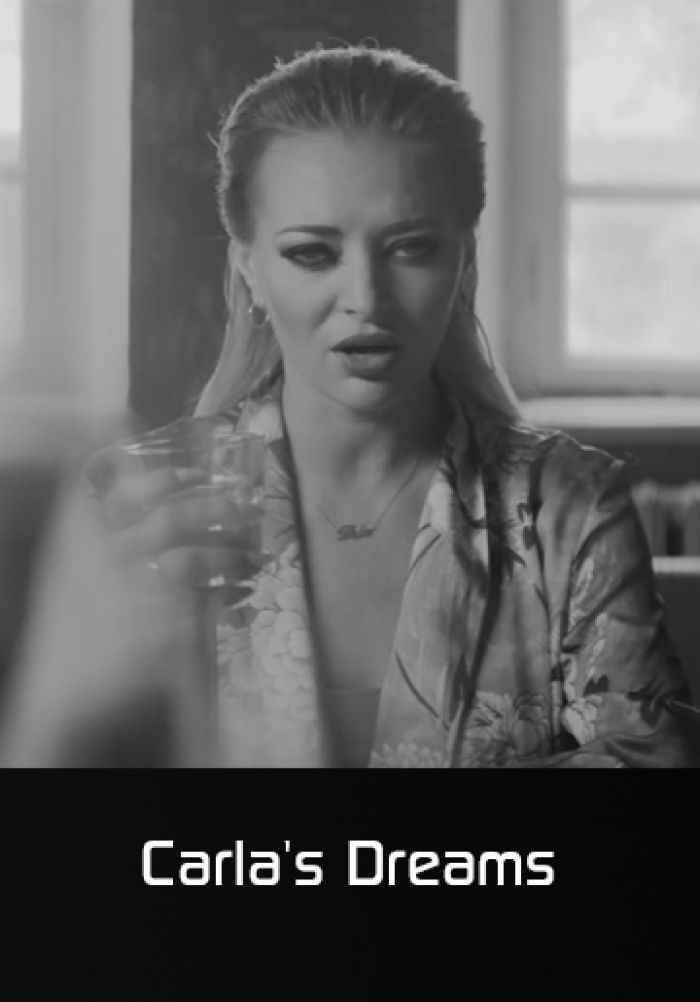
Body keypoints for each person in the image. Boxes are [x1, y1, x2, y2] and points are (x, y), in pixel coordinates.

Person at [1, 44, 693, 768]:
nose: (366, 298)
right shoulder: (139, 507)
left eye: (411, 248)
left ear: (465, 262)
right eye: (312, 252)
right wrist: (60, 700)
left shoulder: (572, 507)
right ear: (249, 269)